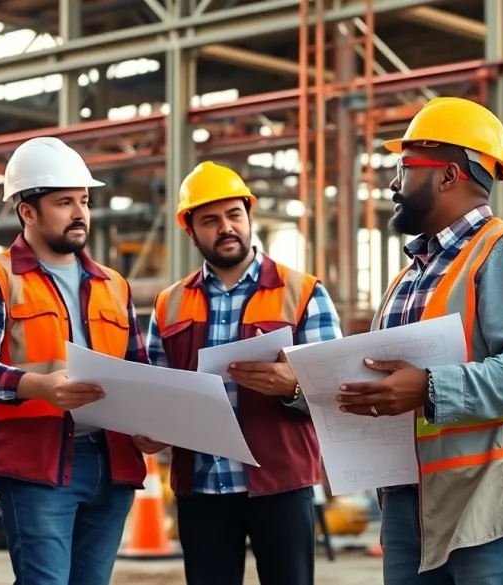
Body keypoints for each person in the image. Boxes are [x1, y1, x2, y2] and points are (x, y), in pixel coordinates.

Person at [335, 97, 503, 584]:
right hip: (412, 502)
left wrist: (429, 387)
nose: (393, 183)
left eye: (405, 166)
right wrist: (300, 385)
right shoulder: (411, 276)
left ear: (449, 175)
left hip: (493, 503)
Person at [0, 136, 148, 585]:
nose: (80, 213)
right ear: (28, 212)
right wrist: (38, 386)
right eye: (64, 202)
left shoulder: (114, 284)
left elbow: (139, 369)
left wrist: (150, 426)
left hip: (113, 462)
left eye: (84, 201)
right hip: (36, 462)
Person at [144, 161, 343, 585]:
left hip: (281, 484)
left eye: (234, 215)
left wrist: (293, 386)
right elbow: (156, 392)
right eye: (210, 220)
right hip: (201, 487)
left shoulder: (303, 292)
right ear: (190, 231)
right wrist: (148, 427)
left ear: (250, 217)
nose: (226, 228)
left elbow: (338, 391)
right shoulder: (168, 304)